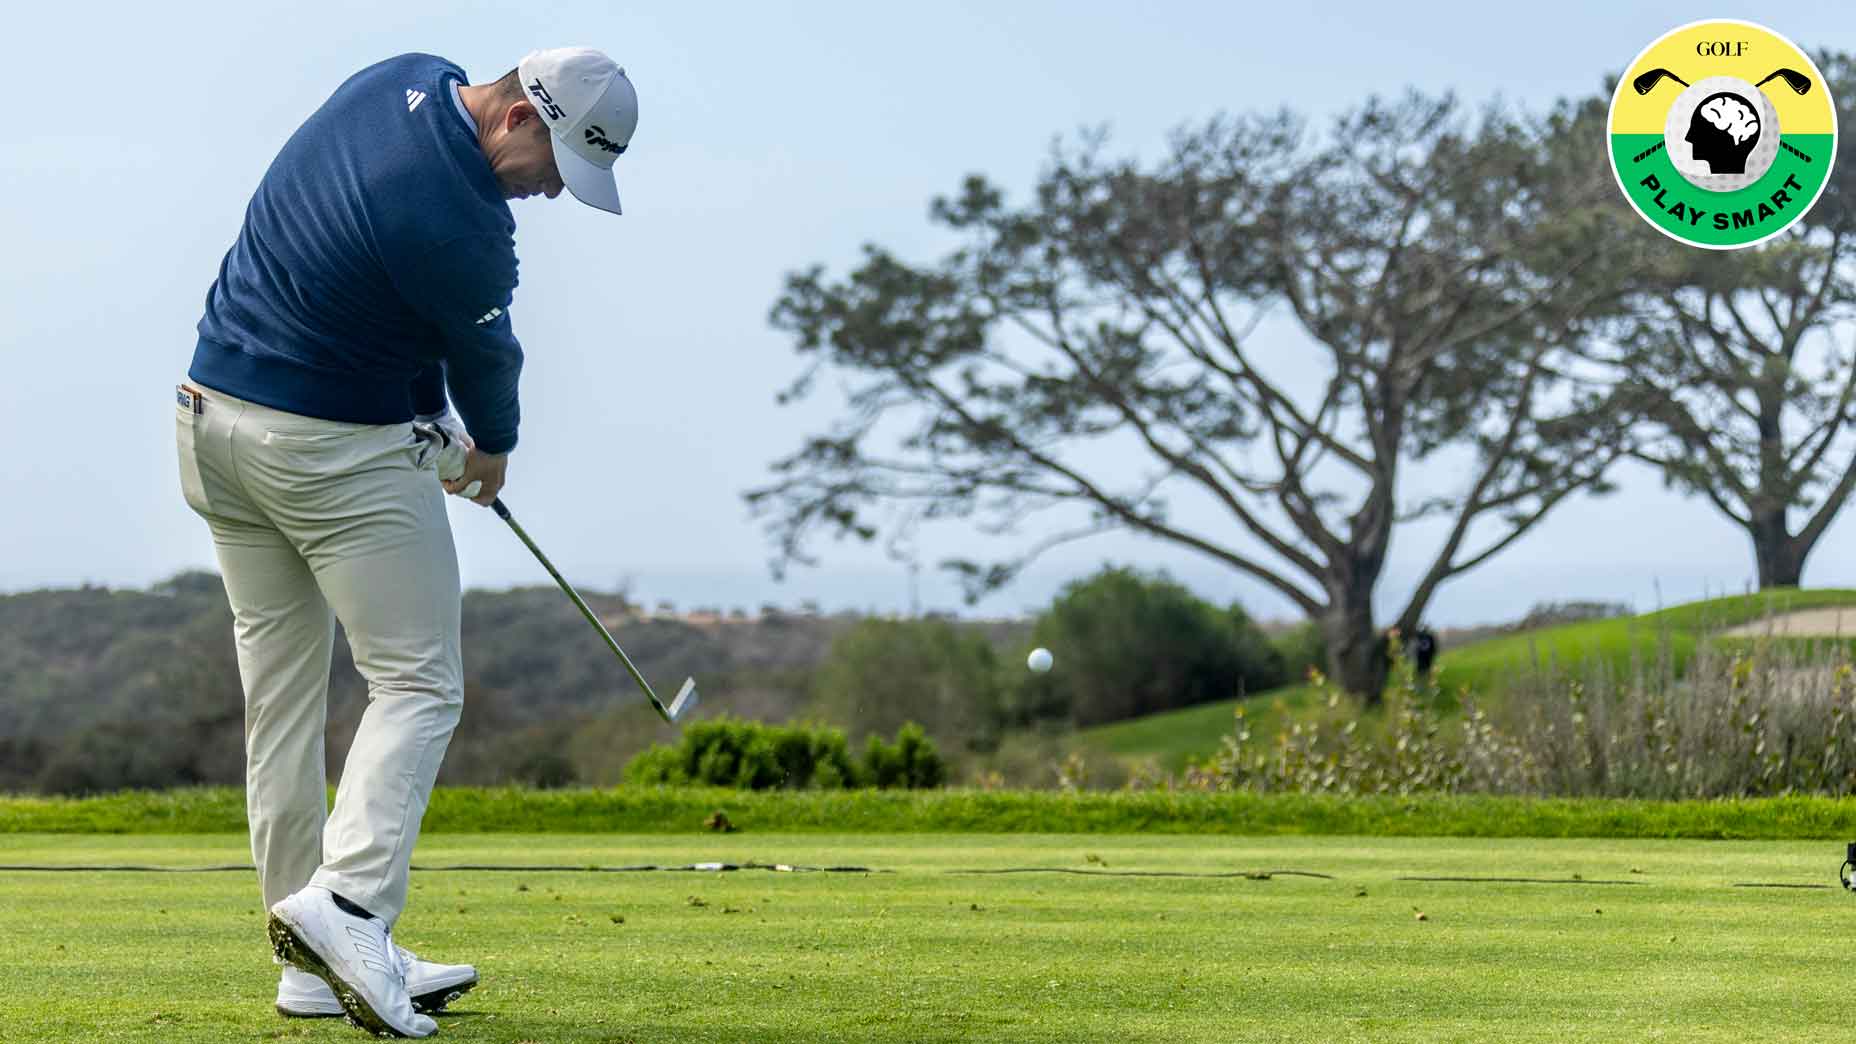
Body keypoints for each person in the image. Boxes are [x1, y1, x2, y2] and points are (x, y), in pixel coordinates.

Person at [174, 47, 638, 1038]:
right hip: (321, 450)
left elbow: (378, 289)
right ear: (517, 118)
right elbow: (484, 353)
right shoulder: (466, 227)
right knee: (418, 682)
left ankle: (306, 970)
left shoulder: (400, 77)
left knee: (284, 706)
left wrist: (427, 420)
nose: (553, 192)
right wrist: (493, 452)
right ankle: (346, 913)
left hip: (210, 420)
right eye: (555, 166)